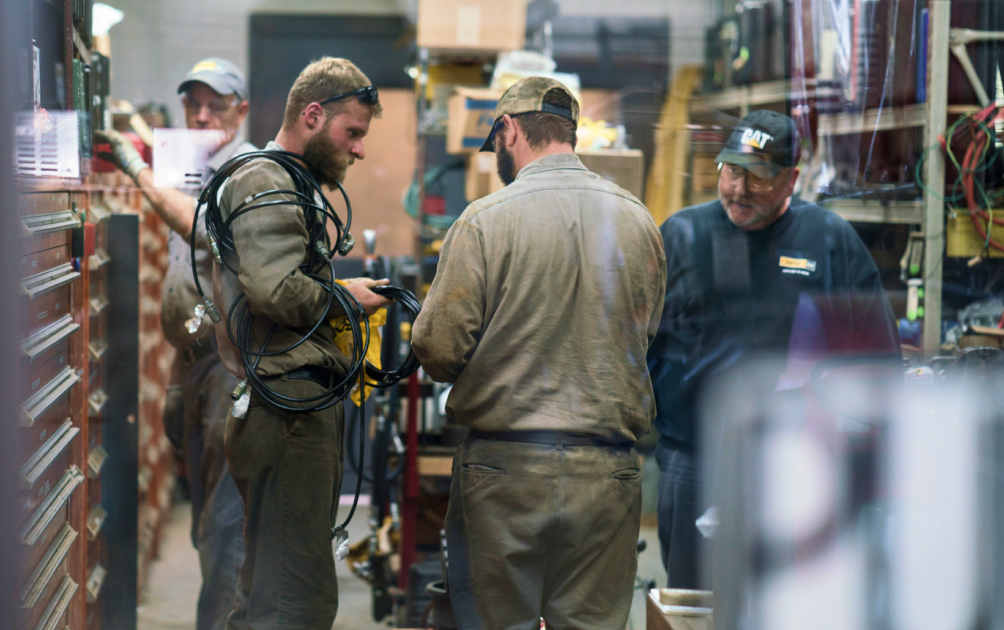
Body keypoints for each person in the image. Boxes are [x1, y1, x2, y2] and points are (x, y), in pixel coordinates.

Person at [412, 77, 667, 630]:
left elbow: (436, 350)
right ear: (569, 133)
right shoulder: (639, 222)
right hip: (608, 474)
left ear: (508, 129)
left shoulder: (484, 221)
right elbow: (644, 338)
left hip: (506, 474)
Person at [645, 109, 899, 589]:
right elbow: (634, 342)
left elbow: (876, 359)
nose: (738, 189)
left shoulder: (829, 241)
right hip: (694, 458)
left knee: (785, 596)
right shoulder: (682, 235)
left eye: (758, 177)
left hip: (792, 459)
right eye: (731, 171)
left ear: (791, 180)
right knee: (693, 599)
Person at [210, 57, 391, 630]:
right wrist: (345, 298)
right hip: (284, 414)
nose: (359, 150)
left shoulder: (290, 182)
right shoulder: (264, 179)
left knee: (275, 593)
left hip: (294, 408)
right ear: (313, 115)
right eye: (352, 133)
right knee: (295, 602)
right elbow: (273, 288)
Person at [95, 57, 253, 630]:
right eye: (194, 103)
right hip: (194, 363)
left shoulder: (244, 173)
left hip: (232, 366)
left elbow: (197, 227)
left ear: (242, 110)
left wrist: (135, 165)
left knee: (225, 523)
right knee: (209, 516)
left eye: (216, 103)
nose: (203, 113)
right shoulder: (190, 166)